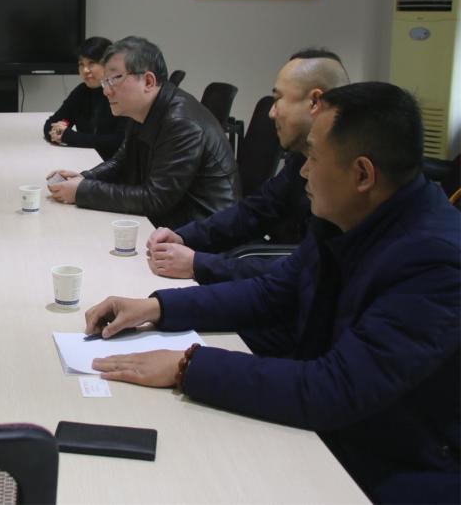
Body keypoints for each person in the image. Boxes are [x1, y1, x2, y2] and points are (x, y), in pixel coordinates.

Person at [83, 82, 460, 505]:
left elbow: (334, 389)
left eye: (313, 158)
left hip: (390, 467)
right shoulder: (348, 216)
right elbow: (272, 292)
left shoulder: (435, 262)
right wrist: (157, 307)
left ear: (362, 175)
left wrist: (187, 366)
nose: (303, 172)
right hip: (329, 432)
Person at [146, 49, 350, 284]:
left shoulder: (345, 177)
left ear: (315, 102)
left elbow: (306, 271)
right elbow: (254, 211)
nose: (272, 113)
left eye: (278, 99)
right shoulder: (301, 158)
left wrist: (198, 264)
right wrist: (183, 238)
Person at [47, 36, 240, 229]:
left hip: (206, 231)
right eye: (105, 82)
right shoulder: (142, 109)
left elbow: (154, 199)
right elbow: (121, 161)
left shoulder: (181, 123)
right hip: (174, 220)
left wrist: (82, 191)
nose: (106, 91)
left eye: (114, 79)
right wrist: (85, 178)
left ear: (148, 81)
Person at [43, 36, 130, 160]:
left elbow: (120, 141)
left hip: (115, 165)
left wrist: (70, 137)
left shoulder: (122, 93)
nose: (85, 70)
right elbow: (51, 124)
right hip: (85, 159)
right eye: (81, 64)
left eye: (92, 63)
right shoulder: (81, 91)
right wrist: (58, 132)